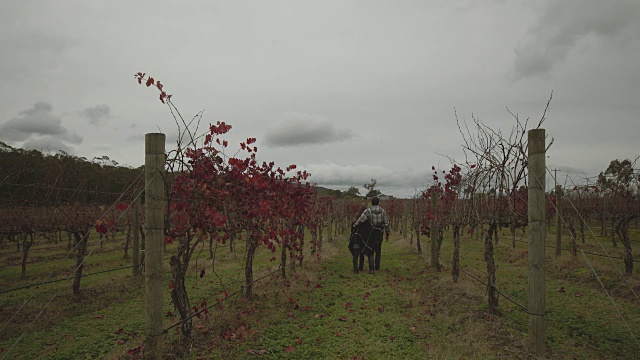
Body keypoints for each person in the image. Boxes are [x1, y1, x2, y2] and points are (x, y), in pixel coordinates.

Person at [353, 197, 390, 272]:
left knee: (371, 250)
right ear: (378, 203)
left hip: (370, 233)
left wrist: (355, 225)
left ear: (372, 203)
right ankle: (377, 266)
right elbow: (386, 223)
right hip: (379, 232)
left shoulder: (368, 211)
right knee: (378, 249)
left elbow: (361, 220)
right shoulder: (383, 211)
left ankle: (371, 269)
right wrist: (387, 234)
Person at [348, 206, 374, 274]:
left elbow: (352, 230)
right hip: (365, 240)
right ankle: (366, 268)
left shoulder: (355, 221)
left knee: (356, 255)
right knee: (366, 253)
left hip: (356, 239)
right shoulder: (368, 222)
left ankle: (355, 269)